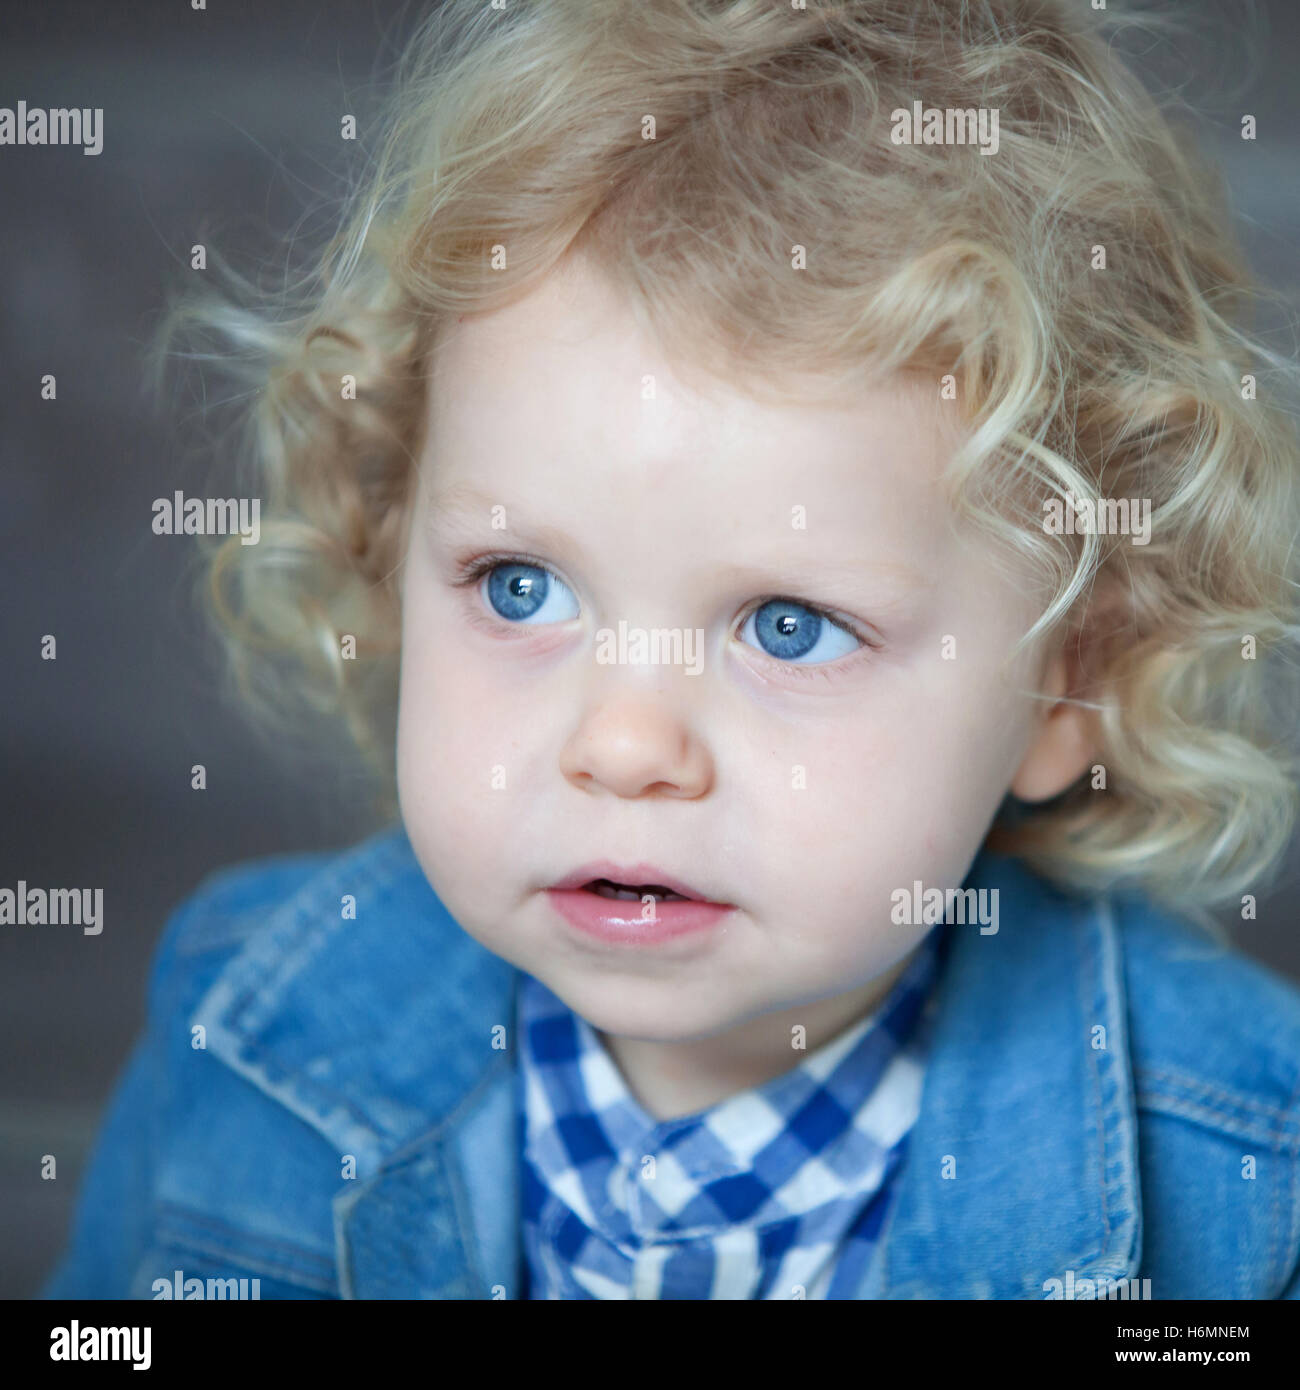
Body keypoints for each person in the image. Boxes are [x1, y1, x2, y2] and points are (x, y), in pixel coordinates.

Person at [43, 0, 1300, 1299]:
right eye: (521, 587)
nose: (625, 743)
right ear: (390, 538)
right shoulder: (238, 1026)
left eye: (788, 626)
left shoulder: (1247, 1185)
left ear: (1073, 676)